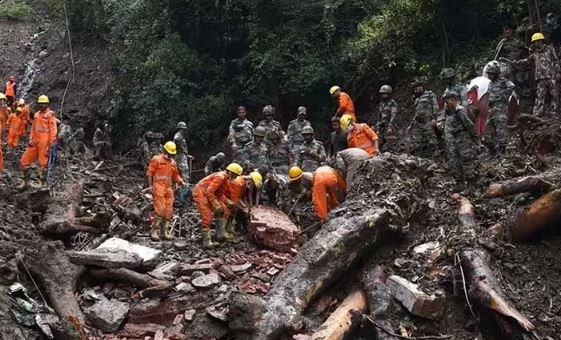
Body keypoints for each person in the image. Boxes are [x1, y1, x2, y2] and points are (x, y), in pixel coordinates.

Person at [193, 163, 243, 248]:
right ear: (230, 172)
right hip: (201, 192)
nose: (235, 178)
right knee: (207, 216)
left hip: (208, 193)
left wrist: (227, 202)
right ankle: (207, 241)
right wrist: (215, 203)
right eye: (235, 175)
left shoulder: (225, 179)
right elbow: (209, 191)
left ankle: (220, 234)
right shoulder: (220, 177)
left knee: (223, 210)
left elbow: (219, 194)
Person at [511, 33, 560, 116]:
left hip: (551, 75)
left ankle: (554, 111)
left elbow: (556, 60)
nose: (536, 43)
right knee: (540, 95)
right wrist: (517, 62)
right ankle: (537, 113)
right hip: (540, 77)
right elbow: (527, 60)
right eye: (534, 42)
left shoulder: (549, 49)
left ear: (541, 41)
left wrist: (558, 72)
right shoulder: (535, 53)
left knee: (554, 94)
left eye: (537, 41)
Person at [438, 92, 478, 192]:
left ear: (455, 100)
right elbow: (441, 118)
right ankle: (459, 183)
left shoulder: (460, 111)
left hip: (462, 139)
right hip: (452, 141)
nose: (447, 103)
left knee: (466, 161)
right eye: (446, 101)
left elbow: (469, 125)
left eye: (449, 101)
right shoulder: (447, 112)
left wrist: (476, 139)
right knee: (454, 162)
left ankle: (470, 185)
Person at [146, 141, 186, 241]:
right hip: (158, 186)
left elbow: (176, 175)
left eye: (172, 154)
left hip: (168, 188)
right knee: (160, 209)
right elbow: (149, 173)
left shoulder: (173, 162)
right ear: (165, 151)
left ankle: (164, 232)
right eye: (170, 153)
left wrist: (181, 182)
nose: (171, 155)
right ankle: (154, 231)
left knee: (168, 211)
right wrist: (151, 186)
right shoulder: (157, 159)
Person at [18, 95, 57, 189]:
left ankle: (40, 182)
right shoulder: (36, 114)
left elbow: (53, 130)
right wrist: (31, 139)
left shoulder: (50, 115)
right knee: (24, 160)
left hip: (45, 142)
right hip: (35, 141)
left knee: (43, 163)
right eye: (40, 103)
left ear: (47, 104)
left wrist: (51, 143)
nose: (41, 105)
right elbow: (33, 128)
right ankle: (24, 181)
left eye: (43, 103)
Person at [485, 63, 515, 155]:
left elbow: (512, 86)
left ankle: (502, 152)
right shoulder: (490, 83)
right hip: (492, 108)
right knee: (488, 130)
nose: (489, 75)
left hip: (501, 107)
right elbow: (489, 95)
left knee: (500, 129)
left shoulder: (502, 81)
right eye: (488, 73)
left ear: (495, 73)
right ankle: (493, 150)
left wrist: (504, 96)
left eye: (491, 73)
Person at [225, 171, 263, 237]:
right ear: (250, 180)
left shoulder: (244, 183)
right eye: (253, 184)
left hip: (232, 197)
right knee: (227, 212)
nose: (252, 187)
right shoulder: (238, 183)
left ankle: (229, 228)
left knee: (236, 210)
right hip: (224, 196)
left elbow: (243, 197)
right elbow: (235, 200)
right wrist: (244, 209)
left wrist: (247, 206)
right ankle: (223, 232)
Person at [408, 80, 439, 156]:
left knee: (431, 139)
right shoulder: (416, 98)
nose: (415, 90)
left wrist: (435, 118)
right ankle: (421, 156)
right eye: (414, 88)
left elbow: (435, 107)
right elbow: (417, 111)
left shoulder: (430, 94)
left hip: (428, 120)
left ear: (421, 87)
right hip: (418, 122)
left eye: (416, 88)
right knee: (418, 140)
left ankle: (436, 155)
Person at [374, 85, 399, 151]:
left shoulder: (392, 103)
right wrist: (377, 127)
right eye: (382, 94)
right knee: (379, 144)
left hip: (389, 125)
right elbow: (379, 116)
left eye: (385, 94)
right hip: (382, 126)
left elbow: (394, 115)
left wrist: (390, 126)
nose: (383, 95)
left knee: (390, 144)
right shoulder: (381, 104)